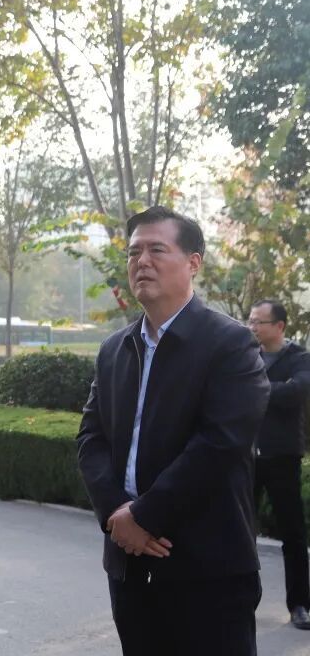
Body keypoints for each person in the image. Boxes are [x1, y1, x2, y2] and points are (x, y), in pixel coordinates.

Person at [77, 206, 270, 656]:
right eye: (134, 252)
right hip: (130, 564)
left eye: (157, 250)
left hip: (208, 570)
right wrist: (116, 515)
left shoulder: (230, 343)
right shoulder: (115, 349)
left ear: (193, 262)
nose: (141, 261)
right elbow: (91, 439)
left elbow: (220, 444)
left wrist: (144, 516)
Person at [248, 298, 310, 629]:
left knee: (293, 533)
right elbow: (233, 391)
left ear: (279, 326)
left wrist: (256, 389)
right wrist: (275, 390)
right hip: (246, 457)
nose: (252, 327)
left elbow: (296, 393)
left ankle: (299, 604)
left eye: (259, 322)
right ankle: (242, 600)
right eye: (251, 321)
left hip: (283, 456)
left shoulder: (299, 358)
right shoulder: (247, 355)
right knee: (241, 531)